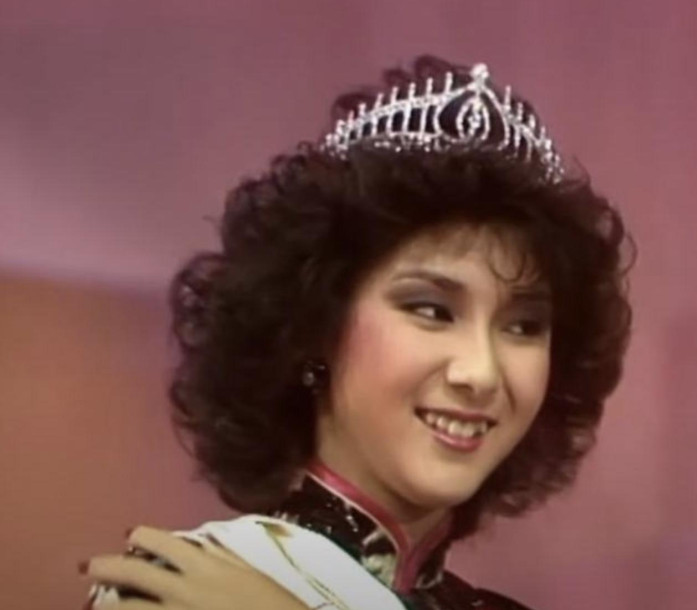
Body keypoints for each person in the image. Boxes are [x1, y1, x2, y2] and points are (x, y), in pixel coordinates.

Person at [80, 55, 634, 610]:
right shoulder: (178, 593)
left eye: (524, 326)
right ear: (316, 324)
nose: (482, 372)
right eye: (432, 310)